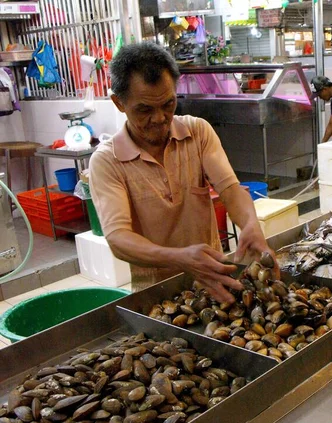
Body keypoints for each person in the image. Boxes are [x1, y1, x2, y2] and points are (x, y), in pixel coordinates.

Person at [89, 41, 276, 302]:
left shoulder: (197, 132)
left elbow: (231, 189)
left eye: (168, 104)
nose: (159, 118)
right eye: (144, 110)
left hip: (215, 281)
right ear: (119, 103)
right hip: (157, 296)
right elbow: (119, 238)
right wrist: (180, 258)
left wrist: (251, 225)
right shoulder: (107, 161)